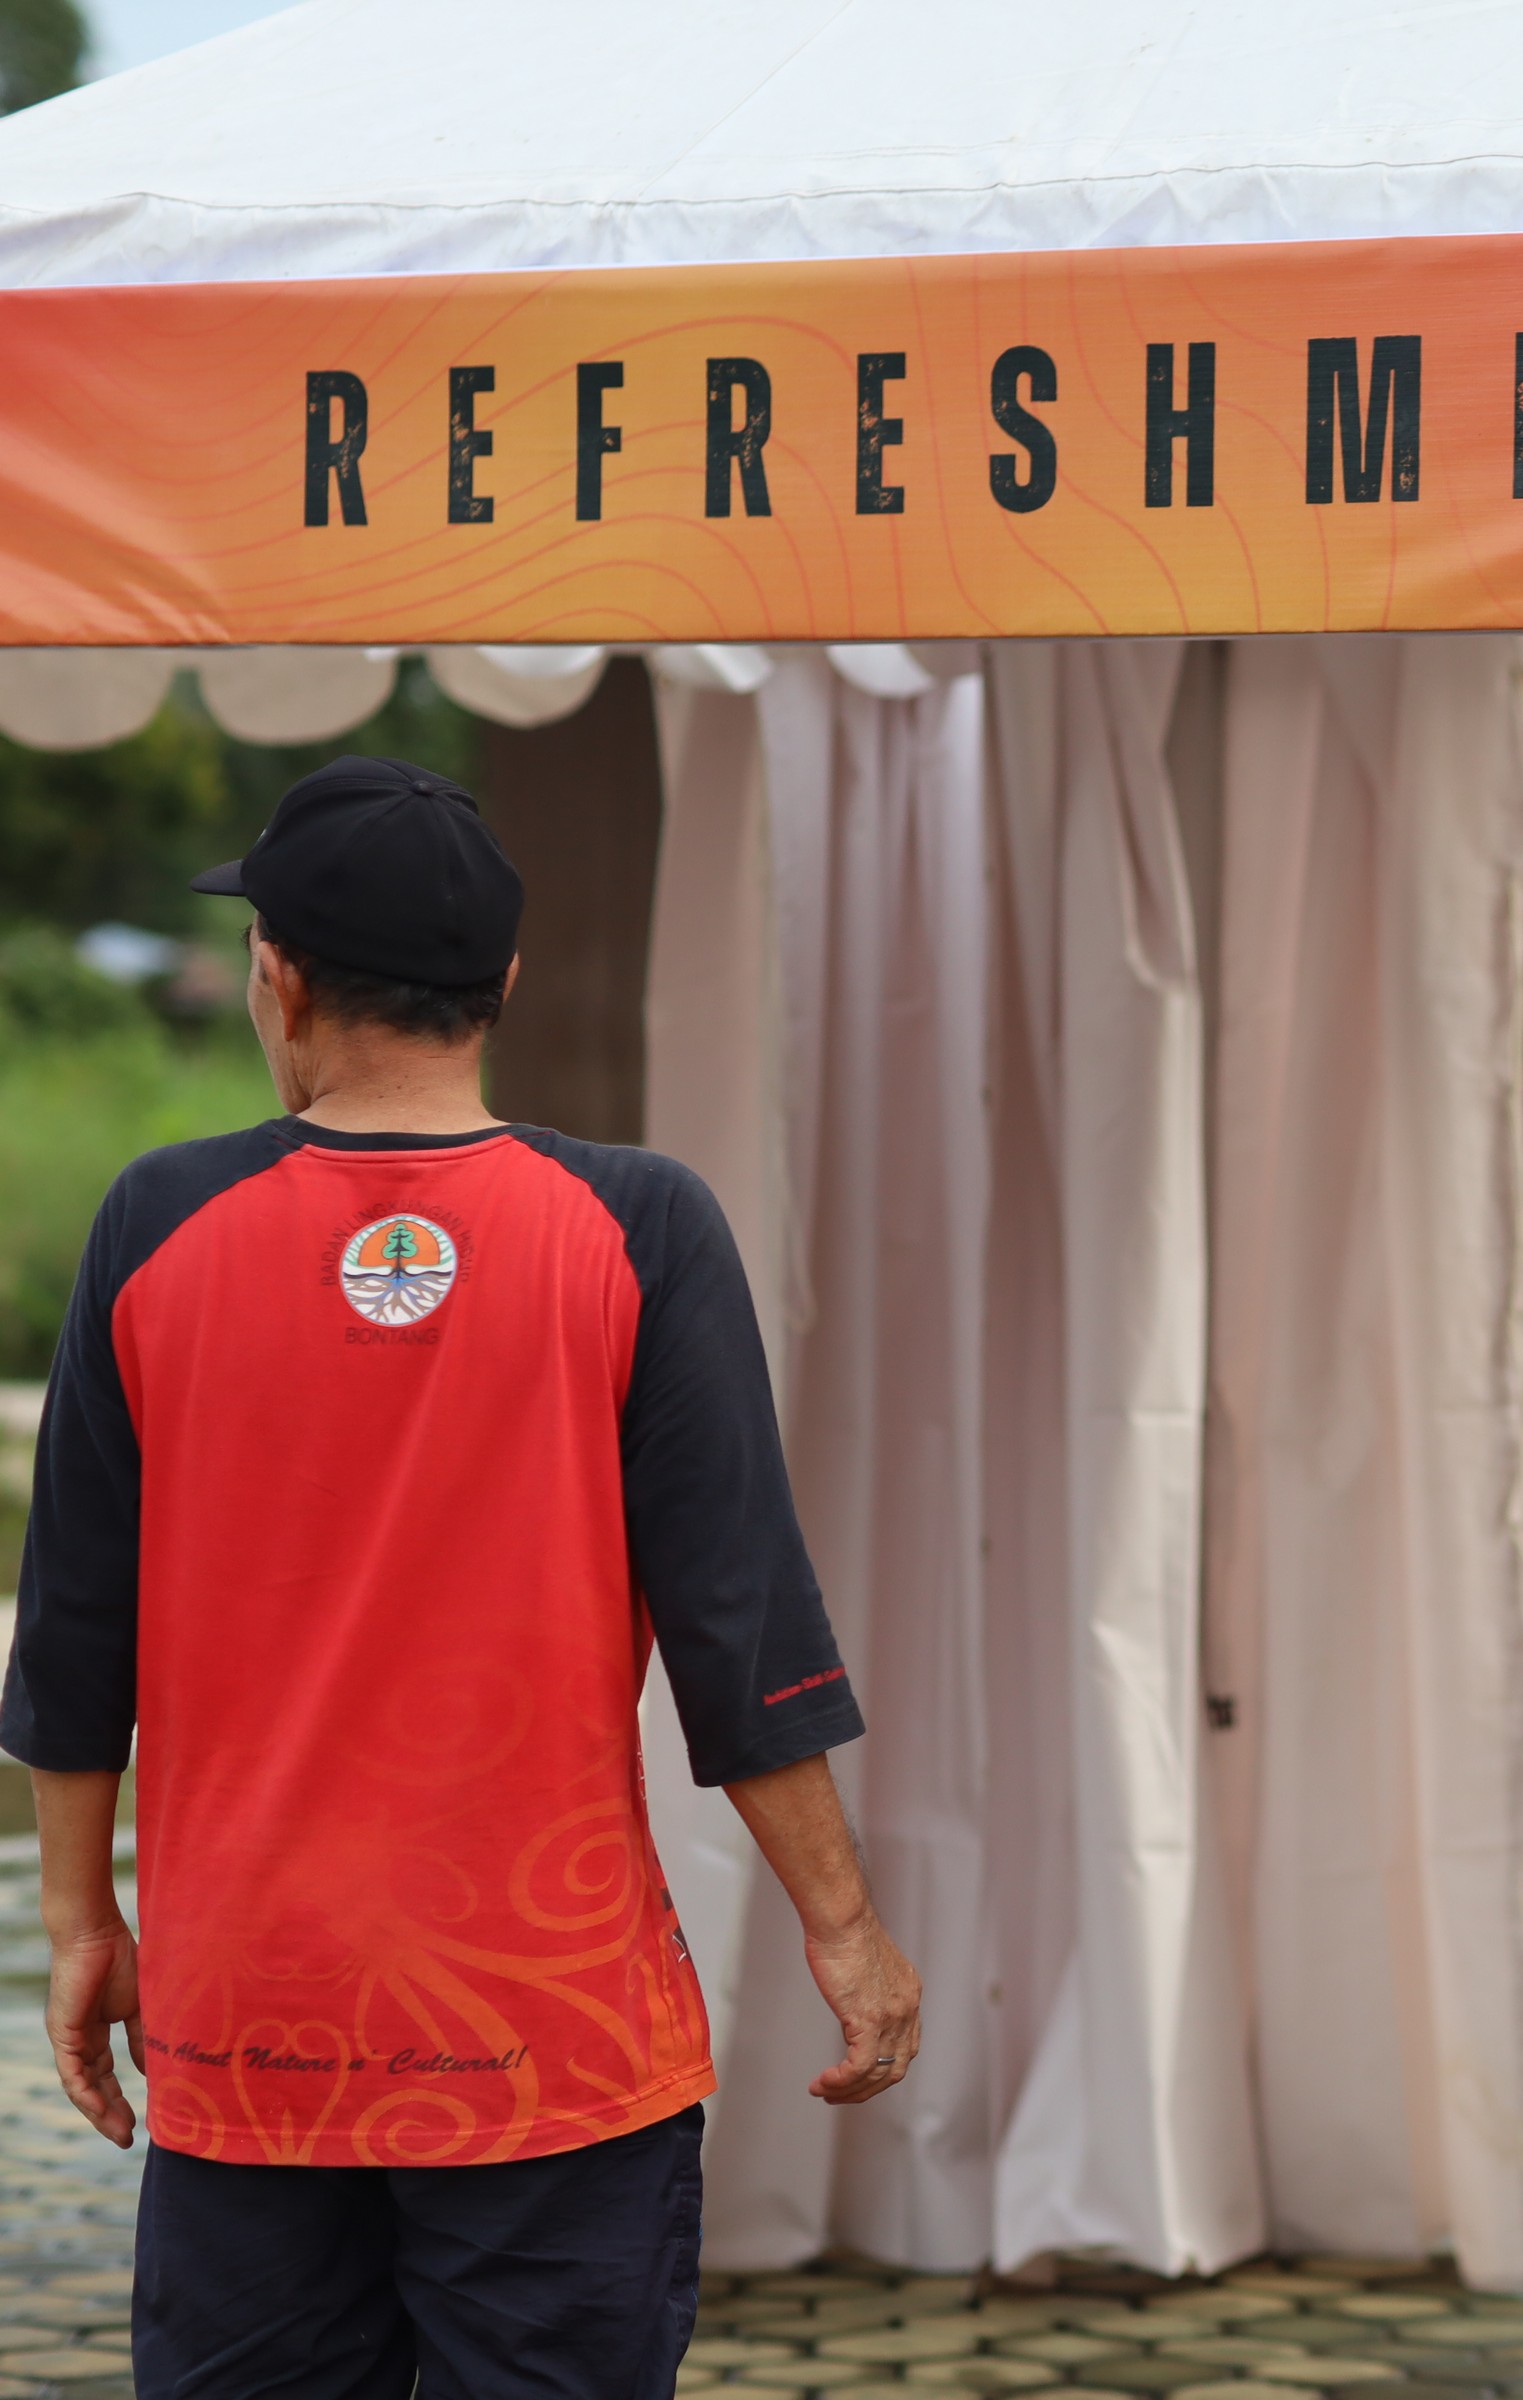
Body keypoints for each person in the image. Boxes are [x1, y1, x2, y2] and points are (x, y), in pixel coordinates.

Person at [3, 759, 921, 2400]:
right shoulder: (639, 1226)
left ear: (278, 977)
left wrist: (83, 1922)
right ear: (501, 979)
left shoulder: (156, 1225)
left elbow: (74, 1626)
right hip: (551, 2037)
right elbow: (739, 1622)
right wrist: (844, 1929)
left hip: (251, 2029)